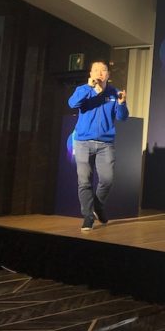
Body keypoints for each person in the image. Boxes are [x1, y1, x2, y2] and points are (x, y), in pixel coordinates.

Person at [68, 61, 128, 231]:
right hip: (83, 143)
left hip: (105, 144)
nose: (99, 73)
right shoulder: (83, 90)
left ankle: (98, 206)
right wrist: (89, 87)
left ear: (108, 75)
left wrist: (122, 104)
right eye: (96, 70)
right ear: (91, 74)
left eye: (103, 70)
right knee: (84, 181)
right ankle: (88, 217)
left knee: (107, 180)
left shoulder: (114, 92)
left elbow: (122, 117)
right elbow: (72, 104)